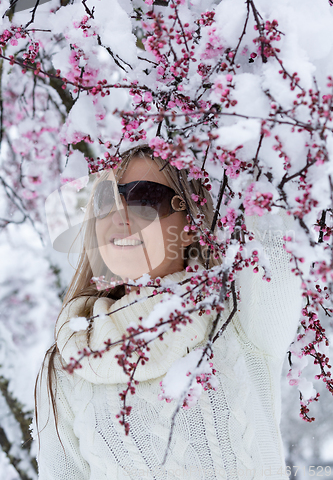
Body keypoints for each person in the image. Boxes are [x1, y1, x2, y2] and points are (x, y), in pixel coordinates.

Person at [34, 144, 302, 480]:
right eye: (104, 200)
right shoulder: (65, 363)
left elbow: (272, 196)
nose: (119, 215)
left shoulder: (239, 318)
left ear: (191, 223)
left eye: (145, 198)